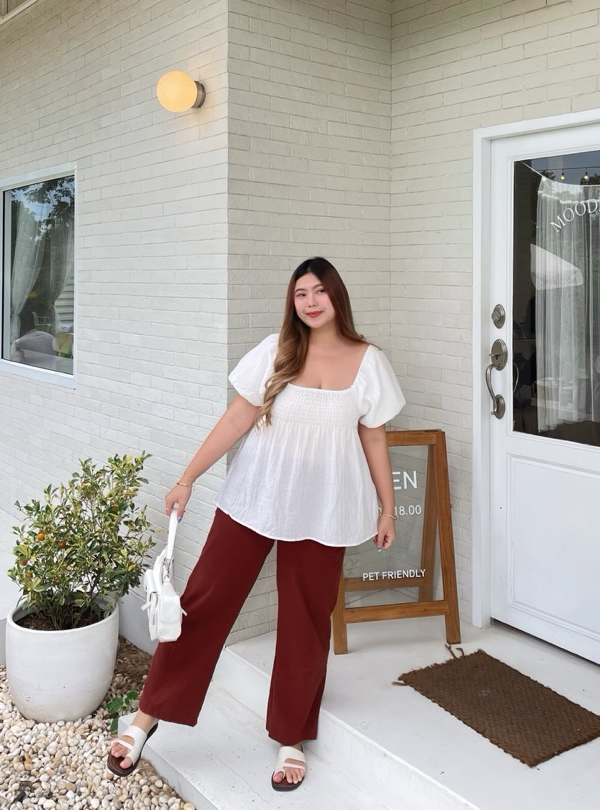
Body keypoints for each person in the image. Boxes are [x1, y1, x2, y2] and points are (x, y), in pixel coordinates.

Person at [107, 256, 405, 792]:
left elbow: (374, 437)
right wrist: (187, 478)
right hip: (256, 496)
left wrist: (387, 507)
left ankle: (292, 736)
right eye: (300, 293)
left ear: (337, 295)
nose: (310, 302)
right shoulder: (275, 351)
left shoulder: (369, 362)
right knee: (204, 601)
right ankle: (147, 715)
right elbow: (236, 419)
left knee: (306, 619)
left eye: (319, 291)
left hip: (325, 507)